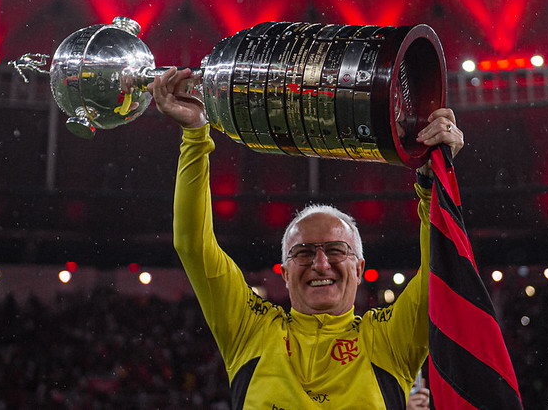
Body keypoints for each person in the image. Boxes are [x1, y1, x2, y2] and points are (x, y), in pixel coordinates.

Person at [148, 67, 464, 409]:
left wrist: (434, 182)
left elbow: (440, 271)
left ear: (359, 269)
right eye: (303, 252)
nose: (320, 263)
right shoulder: (251, 331)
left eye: (335, 250)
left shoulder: (388, 340)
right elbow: (193, 245)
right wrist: (195, 135)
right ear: (284, 273)